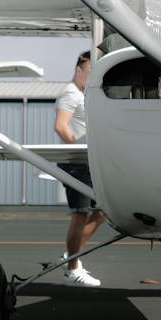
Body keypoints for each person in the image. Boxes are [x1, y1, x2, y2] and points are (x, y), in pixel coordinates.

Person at [55, 50, 102, 286]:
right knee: (80, 214)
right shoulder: (70, 94)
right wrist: (78, 150)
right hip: (76, 162)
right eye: (90, 71)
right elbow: (61, 127)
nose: (93, 77)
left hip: (89, 162)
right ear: (79, 70)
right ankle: (73, 269)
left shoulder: (87, 95)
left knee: (102, 211)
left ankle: (71, 254)